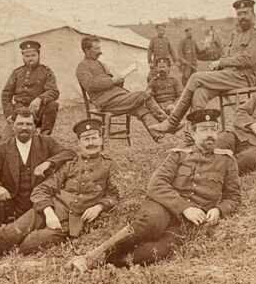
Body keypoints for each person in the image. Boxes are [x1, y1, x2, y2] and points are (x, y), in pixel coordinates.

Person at [0, 118, 120, 266]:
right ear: (79, 143)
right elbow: (42, 189)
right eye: (86, 139)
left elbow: (114, 194)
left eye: (94, 137)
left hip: (71, 222)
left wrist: (99, 206)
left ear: (101, 139)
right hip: (49, 209)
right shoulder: (69, 165)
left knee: (28, 244)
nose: (91, 143)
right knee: (14, 232)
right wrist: (48, 212)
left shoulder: (110, 165)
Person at [69, 109, 240, 270]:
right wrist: (185, 208)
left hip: (189, 221)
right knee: (151, 222)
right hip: (163, 206)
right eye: (203, 130)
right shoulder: (178, 155)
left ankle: (114, 261)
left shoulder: (226, 160)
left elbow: (233, 197)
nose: (209, 134)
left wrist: (219, 210)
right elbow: (156, 184)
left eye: (213, 129)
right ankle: (92, 257)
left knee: (158, 251)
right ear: (193, 134)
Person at [149, 0, 256, 134]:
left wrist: (221, 63)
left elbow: (249, 59)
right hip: (228, 76)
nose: (242, 17)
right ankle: (196, 134)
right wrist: (218, 66)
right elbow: (227, 56)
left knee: (195, 77)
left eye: (245, 13)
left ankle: (172, 122)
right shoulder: (236, 34)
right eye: (239, 14)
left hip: (244, 78)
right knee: (199, 93)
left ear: (253, 14)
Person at [0, 108, 75, 230]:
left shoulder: (46, 142)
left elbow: (69, 153)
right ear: (13, 126)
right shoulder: (1, 149)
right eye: (20, 124)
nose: (24, 128)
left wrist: (48, 163)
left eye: (29, 124)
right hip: (13, 201)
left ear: (34, 126)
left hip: (38, 199)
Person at [75, 36, 169, 139]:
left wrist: (120, 80)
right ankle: (168, 122)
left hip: (117, 97)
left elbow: (111, 84)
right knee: (144, 94)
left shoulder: (100, 64)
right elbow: (90, 85)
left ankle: (157, 135)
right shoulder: (82, 67)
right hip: (106, 102)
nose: (100, 52)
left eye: (100, 48)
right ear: (87, 50)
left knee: (140, 108)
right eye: (97, 49)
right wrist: (113, 81)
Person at [0, 40, 60, 134]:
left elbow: (53, 91)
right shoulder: (17, 73)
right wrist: (9, 114)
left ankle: (45, 136)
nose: (30, 58)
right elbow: (6, 94)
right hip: (18, 111)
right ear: (23, 57)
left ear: (38, 55)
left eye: (33, 55)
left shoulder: (46, 71)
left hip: (37, 111)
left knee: (52, 105)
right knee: (7, 140)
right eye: (27, 56)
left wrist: (39, 99)